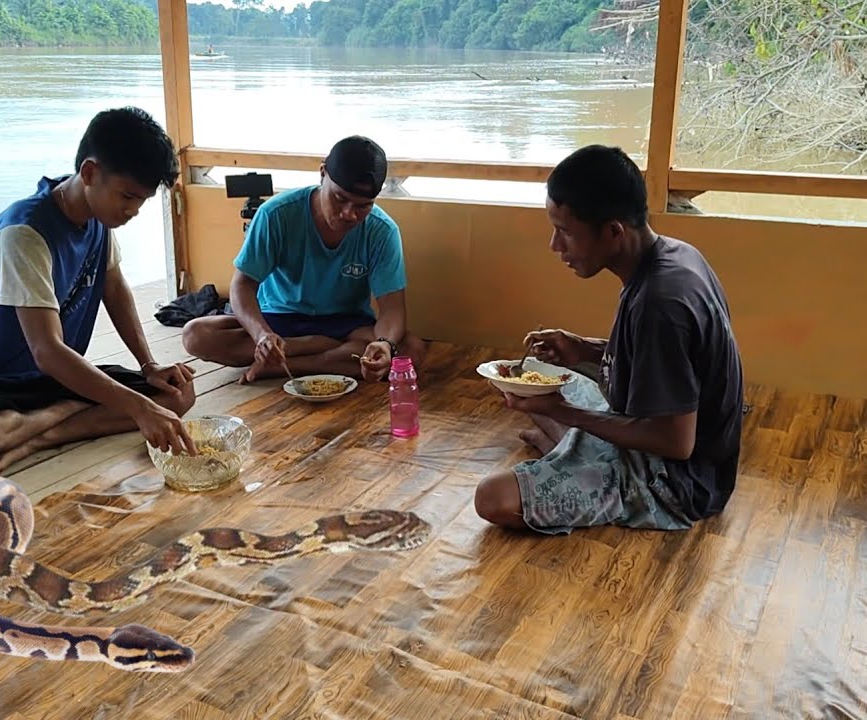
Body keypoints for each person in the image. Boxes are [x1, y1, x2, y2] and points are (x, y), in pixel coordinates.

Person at [474, 144, 744, 534]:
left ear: (613, 232)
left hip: (674, 481)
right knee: (533, 378)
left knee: (492, 498)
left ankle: (569, 453)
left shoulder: (660, 302)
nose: (555, 245)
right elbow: (661, 359)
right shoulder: (676, 254)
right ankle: (570, 451)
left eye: (566, 232)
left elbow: (676, 442)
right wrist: (582, 348)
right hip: (655, 432)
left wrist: (565, 413)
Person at [0, 106, 197, 474]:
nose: (133, 211)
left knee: (178, 394)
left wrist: (149, 366)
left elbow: (115, 290)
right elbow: (47, 352)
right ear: (89, 173)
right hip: (6, 385)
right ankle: (53, 417)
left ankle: (38, 434)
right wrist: (137, 406)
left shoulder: (98, 219)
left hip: (60, 378)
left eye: (141, 201)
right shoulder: (24, 233)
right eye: (127, 196)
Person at [182, 136, 425, 385]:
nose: (349, 214)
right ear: (322, 174)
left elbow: (392, 308)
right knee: (196, 335)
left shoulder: (382, 230)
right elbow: (242, 285)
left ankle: (287, 365)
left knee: (410, 350)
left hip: (345, 323)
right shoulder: (276, 214)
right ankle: (320, 350)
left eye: (363, 206)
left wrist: (384, 344)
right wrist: (261, 335)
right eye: (340, 199)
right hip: (279, 320)